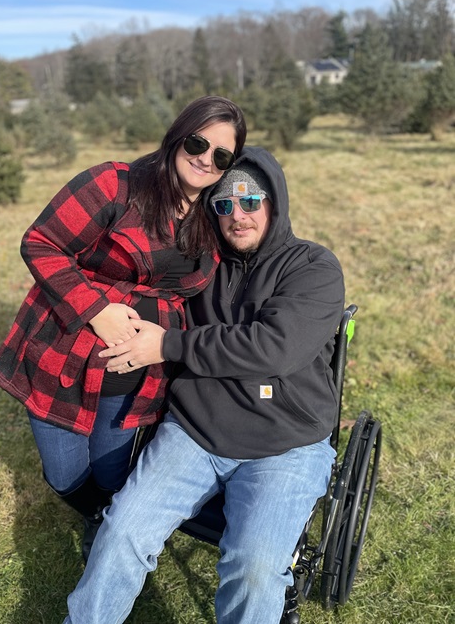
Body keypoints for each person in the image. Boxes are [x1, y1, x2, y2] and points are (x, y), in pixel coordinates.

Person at [62, 146, 346, 623]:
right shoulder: (199, 267)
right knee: (122, 532)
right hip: (196, 433)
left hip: (285, 444)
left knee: (254, 565)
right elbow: (130, 269)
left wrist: (170, 345)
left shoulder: (313, 267)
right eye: (223, 204)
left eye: (251, 201)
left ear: (274, 201)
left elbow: (274, 348)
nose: (238, 215)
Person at [0, 96, 247, 562]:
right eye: (197, 142)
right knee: (64, 473)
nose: (206, 159)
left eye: (221, 156)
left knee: (112, 472)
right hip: (65, 355)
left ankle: (105, 525)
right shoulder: (116, 185)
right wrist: (96, 309)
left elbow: (248, 251)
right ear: (177, 137)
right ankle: (104, 517)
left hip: (140, 376)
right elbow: (41, 242)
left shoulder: (213, 217)